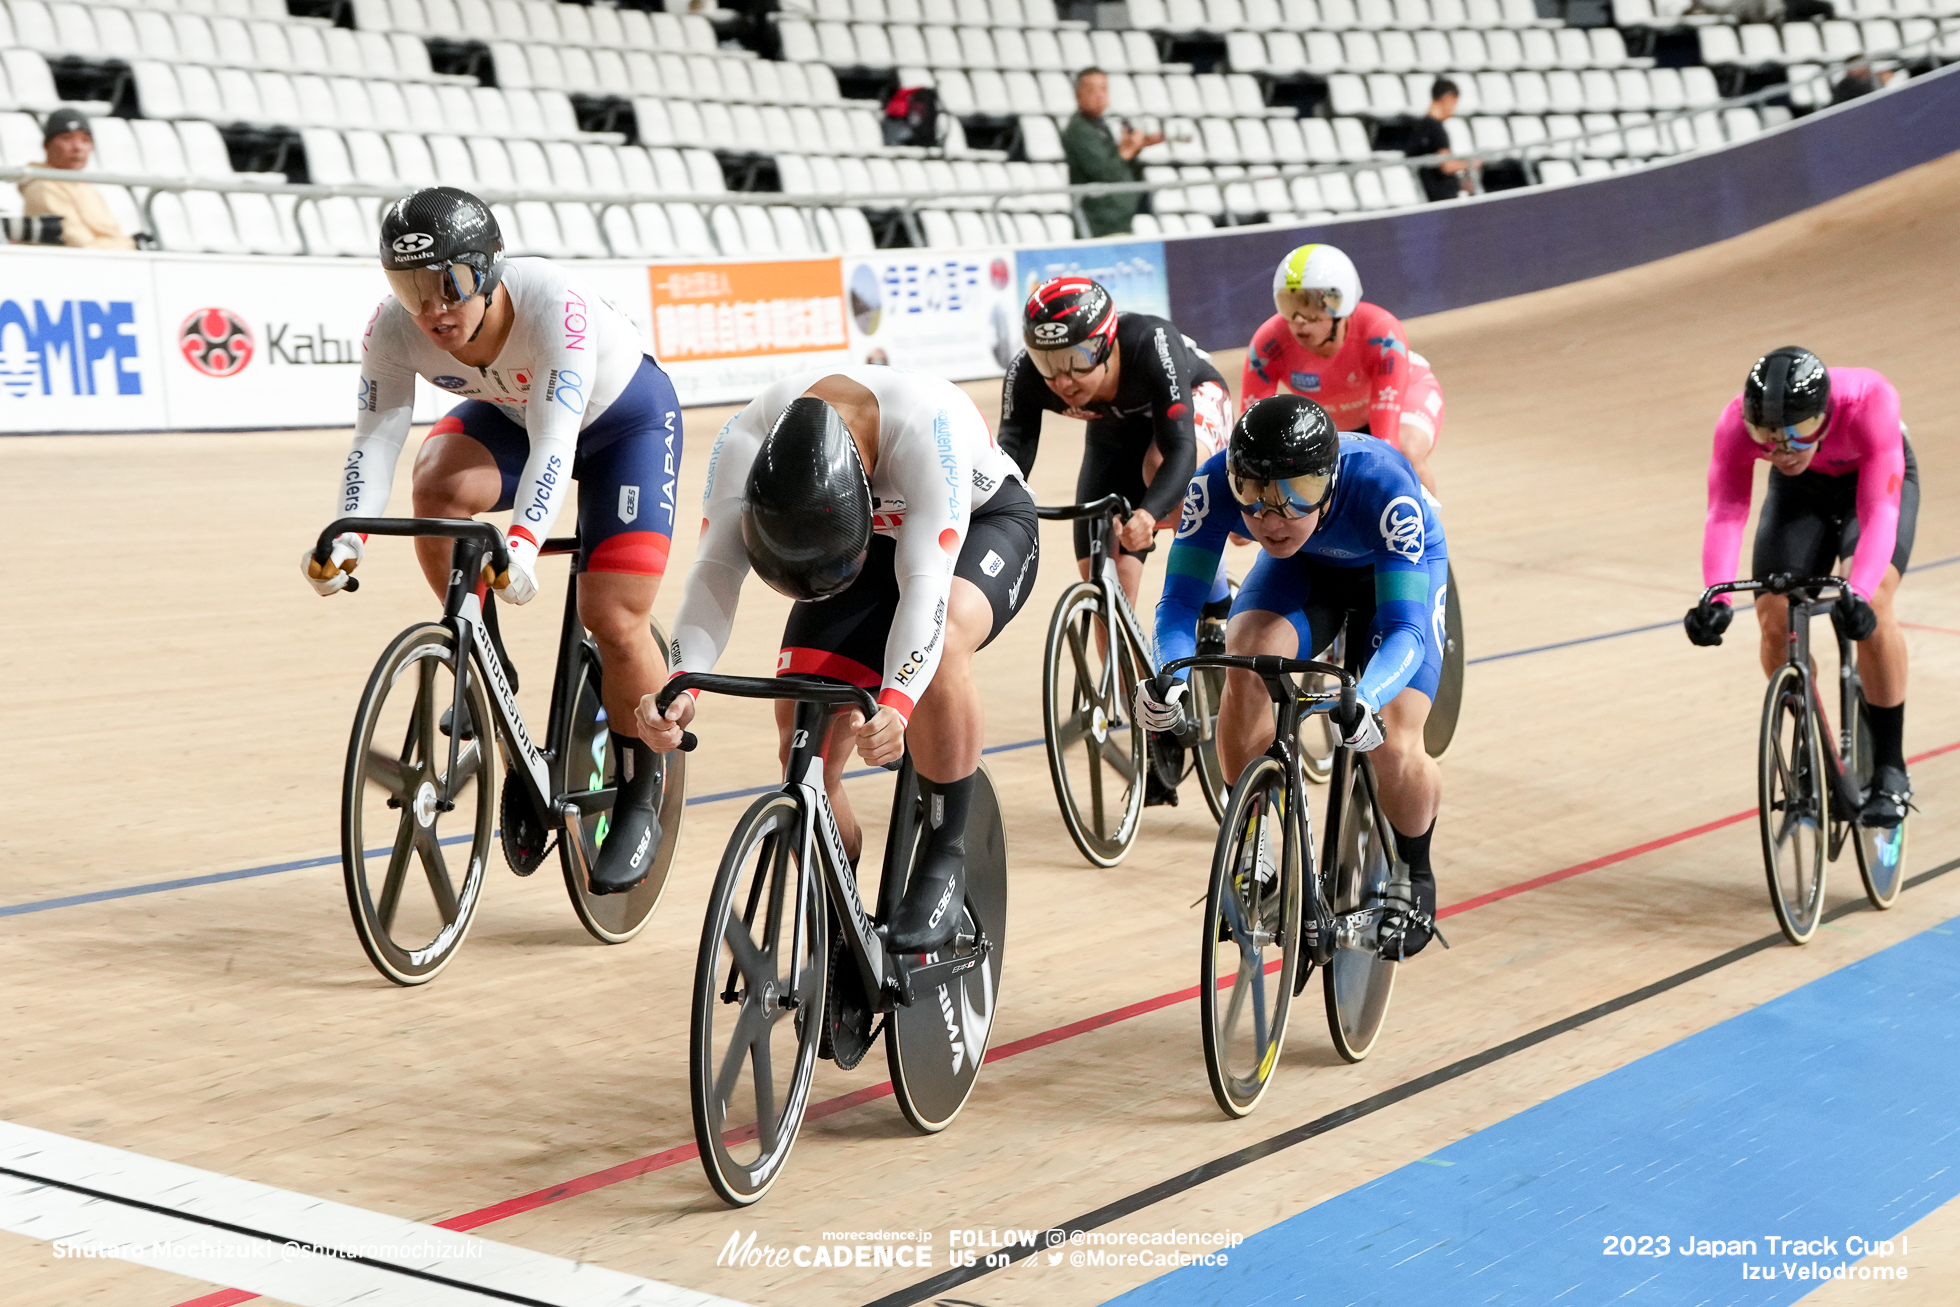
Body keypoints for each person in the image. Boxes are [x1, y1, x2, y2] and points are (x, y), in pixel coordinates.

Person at [303, 186, 684, 895]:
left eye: (447, 283)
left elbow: (557, 442)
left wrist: (524, 541)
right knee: (436, 487)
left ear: (489, 270)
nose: (431, 308)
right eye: (408, 285)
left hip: (624, 425)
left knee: (614, 618)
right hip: (515, 416)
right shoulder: (396, 327)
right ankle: (490, 664)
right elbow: (376, 437)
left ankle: (639, 787)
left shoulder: (552, 305)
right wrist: (347, 535)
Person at [636, 367, 1038, 953]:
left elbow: (924, 586)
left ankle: (945, 856)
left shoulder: (929, 429)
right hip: (859, 538)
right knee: (804, 739)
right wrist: (680, 685)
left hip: (979, 523)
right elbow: (715, 572)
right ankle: (840, 922)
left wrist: (897, 704)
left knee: (944, 644)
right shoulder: (749, 435)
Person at [1138, 395, 1449, 959]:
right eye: (1252, 499)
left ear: (1328, 480)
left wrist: (1366, 696)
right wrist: (1170, 675)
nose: (1270, 519)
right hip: (1304, 572)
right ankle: (1255, 830)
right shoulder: (1213, 487)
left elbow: (1407, 630)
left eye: (1292, 497)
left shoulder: (1384, 489)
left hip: (1399, 571)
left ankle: (1414, 875)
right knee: (1246, 657)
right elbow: (1178, 603)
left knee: (1393, 738)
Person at [997, 275, 1233, 804]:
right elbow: (1011, 453)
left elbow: (1177, 452)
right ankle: (1152, 725)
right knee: (1108, 590)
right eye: (1047, 361)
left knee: (1162, 481)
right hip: (1113, 435)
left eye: (1078, 358)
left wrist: (1151, 514)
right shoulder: (1030, 375)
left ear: (1105, 341)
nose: (1063, 378)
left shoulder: (1151, 345)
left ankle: (1217, 597)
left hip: (1188, 409)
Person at [1684, 347, 1917, 827]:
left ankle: (1892, 767)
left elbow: (1879, 512)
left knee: (1871, 603)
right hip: (1801, 494)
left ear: (1824, 415)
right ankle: (1814, 744)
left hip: (1870, 486)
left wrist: (1860, 590)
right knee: (1772, 618)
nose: (1782, 449)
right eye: (1766, 438)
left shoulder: (1869, 400)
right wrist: (1718, 597)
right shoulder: (1737, 424)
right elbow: (1726, 511)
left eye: (1798, 434)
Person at [1242, 243, 1446, 494]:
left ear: (1343, 304)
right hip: (1339, 419)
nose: (1299, 320)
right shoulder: (1268, 344)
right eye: (1288, 304)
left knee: (1405, 455)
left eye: (1312, 306)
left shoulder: (1382, 334)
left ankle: (1425, 531)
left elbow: (1386, 443)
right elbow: (1251, 434)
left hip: (1407, 396)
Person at [1061, 68, 1164, 238]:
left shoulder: (1101, 125)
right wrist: (1128, 150)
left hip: (1118, 222)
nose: (1099, 95)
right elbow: (1103, 171)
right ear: (1078, 94)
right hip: (1098, 227)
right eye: (1092, 90)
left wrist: (1135, 147)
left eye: (1103, 89)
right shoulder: (1078, 130)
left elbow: (1118, 163)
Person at [18, 108, 137, 251]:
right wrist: (132, 244)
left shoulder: (87, 188)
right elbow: (81, 246)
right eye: (67, 138)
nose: (78, 147)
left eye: (85, 140)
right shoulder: (42, 188)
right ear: (46, 146)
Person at [1401, 78, 1474, 203]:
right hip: (1444, 199)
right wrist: (1470, 163)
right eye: (1454, 103)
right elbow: (1446, 165)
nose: (1453, 110)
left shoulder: (1419, 128)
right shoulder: (1436, 129)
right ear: (1448, 98)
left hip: (1429, 196)